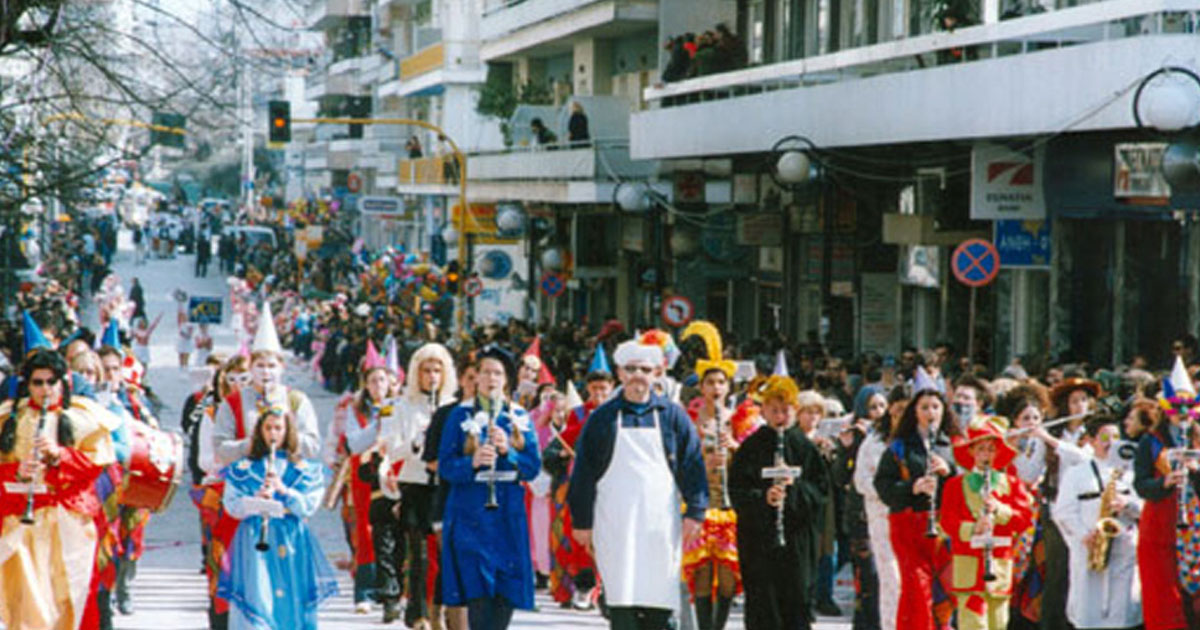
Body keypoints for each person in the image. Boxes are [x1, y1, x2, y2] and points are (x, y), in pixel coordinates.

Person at [568, 335, 708, 630]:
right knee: (621, 602)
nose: (638, 377)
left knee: (660, 601)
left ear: (657, 373)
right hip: (616, 525)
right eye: (631, 369)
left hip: (661, 526)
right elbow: (583, 474)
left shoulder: (673, 417)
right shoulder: (602, 419)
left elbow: (693, 467)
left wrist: (696, 511)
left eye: (645, 370)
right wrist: (581, 521)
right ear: (620, 373)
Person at [0, 346, 119, 630]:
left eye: (51, 382)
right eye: (37, 383)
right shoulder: (8, 418)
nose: (45, 389)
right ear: (27, 385)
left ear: (62, 382)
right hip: (22, 523)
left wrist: (59, 456)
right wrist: (15, 471)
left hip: (69, 523)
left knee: (65, 598)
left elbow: (96, 467)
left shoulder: (83, 418)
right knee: (29, 603)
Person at [438, 346, 541, 630]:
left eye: (497, 373)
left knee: (504, 595)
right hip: (471, 511)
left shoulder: (519, 416)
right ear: (476, 378)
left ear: (507, 379)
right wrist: (471, 463)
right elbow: (444, 466)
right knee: (478, 592)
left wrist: (510, 451)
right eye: (485, 372)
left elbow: (532, 467)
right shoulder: (459, 416)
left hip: (507, 512)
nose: (491, 379)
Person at [217, 402, 339, 629]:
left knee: (291, 593)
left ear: (288, 431)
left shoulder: (306, 469)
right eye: (268, 428)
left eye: (278, 428)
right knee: (257, 592)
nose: (273, 434)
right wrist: (255, 498)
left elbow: (309, 506)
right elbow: (231, 506)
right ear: (260, 432)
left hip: (291, 536)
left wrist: (285, 491)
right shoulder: (244, 468)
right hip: (255, 536)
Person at [727, 375, 828, 630]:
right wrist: (764, 497)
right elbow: (737, 491)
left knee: (796, 601)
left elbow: (820, 493)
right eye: (774, 410)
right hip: (759, 540)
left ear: (795, 410)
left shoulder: (805, 448)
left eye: (785, 410)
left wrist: (794, 490)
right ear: (763, 411)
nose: (780, 416)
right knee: (763, 603)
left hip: (796, 539)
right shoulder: (751, 446)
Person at [377, 342, 458, 627]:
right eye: (426, 370)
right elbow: (389, 448)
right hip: (415, 484)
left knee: (447, 553)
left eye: (438, 370)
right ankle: (418, 613)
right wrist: (417, 442)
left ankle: (446, 610)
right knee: (420, 555)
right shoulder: (401, 406)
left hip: (445, 486)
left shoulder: (453, 407)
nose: (432, 376)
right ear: (416, 373)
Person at [873, 384, 962, 630]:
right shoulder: (899, 446)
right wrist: (913, 487)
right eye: (924, 407)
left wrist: (949, 472)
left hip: (943, 524)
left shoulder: (952, 446)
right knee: (917, 587)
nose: (930, 412)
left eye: (935, 407)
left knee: (946, 587)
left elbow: (966, 488)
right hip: (908, 524)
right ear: (915, 412)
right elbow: (883, 486)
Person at [939, 416, 1034, 630]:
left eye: (991, 450)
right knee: (972, 622)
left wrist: (1000, 510)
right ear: (971, 451)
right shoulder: (955, 485)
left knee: (998, 623)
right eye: (981, 449)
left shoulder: (1011, 484)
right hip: (969, 565)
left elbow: (1024, 520)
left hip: (998, 565)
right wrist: (973, 528)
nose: (985, 455)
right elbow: (947, 521)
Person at [680, 321, 745, 630]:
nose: (716, 388)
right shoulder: (689, 419)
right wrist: (704, 459)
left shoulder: (743, 419)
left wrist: (734, 448)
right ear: (701, 387)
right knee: (703, 573)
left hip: (732, 504)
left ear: (728, 387)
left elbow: (753, 464)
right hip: (701, 502)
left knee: (730, 576)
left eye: (721, 382)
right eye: (711, 383)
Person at [1053, 416, 1143, 629]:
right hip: (1089, 546)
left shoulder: (1131, 473)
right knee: (1087, 609)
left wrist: (1128, 504)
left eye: (1115, 436)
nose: (1110, 441)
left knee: (1122, 610)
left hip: (1123, 547)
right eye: (1104, 436)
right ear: (1091, 440)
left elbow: (1146, 507)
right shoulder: (1076, 473)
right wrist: (1083, 534)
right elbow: (1063, 511)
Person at [546, 363, 613, 609]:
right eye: (594, 389)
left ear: (611, 388)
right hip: (583, 481)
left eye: (603, 389)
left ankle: (607, 587)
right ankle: (584, 585)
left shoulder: (618, 412)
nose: (599, 394)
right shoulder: (579, 415)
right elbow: (567, 440)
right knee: (580, 535)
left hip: (611, 482)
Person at [1134, 363, 1195, 630]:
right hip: (1160, 526)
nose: (1182, 414)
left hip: (1194, 528)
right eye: (1176, 407)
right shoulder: (1151, 441)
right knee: (1163, 594)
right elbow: (1141, 485)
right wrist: (1165, 482)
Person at [423, 356, 477, 630]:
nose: (476, 384)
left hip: (484, 507)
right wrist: (465, 467)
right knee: (453, 565)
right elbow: (432, 459)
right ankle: (439, 615)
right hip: (448, 501)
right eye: (470, 378)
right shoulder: (447, 414)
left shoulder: (497, 414)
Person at [834, 384, 887, 630]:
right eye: (871, 407)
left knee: (883, 575)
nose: (877, 412)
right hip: (860, 515)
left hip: (885, 512)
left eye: (881, 406)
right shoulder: (854, 436)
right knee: (866, 575)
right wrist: (846, 450)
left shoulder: (891, 436)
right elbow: (839, 478)